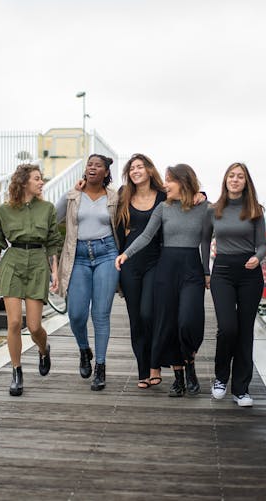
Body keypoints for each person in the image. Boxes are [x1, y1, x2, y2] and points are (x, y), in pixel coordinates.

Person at [116, 163, 211, 398]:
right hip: (166, 270)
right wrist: (126, 254)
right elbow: (147, 235)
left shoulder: (205, 208)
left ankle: (190, 362)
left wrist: (207, 271)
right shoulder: (163, 208)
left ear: (184, 182)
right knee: (167, 324)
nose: (165, 184)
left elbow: (210, 239)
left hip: (191, 270)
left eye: (170, 180)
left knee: (188, 321)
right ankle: (179, 378)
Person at [0, 164, 63, 397]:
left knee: (34, 326)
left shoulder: (48, 209)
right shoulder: (4, 210)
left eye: (41, 179)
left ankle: (43, 349)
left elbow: (52, 242)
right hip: (12, 263)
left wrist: (55, 272)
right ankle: (16, 372)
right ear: (24, 182)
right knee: (13, 324)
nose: (42, 182)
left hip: (38, 264)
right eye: (37, 179)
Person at [56, 153, 120, 391]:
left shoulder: (114, 197)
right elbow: (52, 218)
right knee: (76, 314)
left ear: (106, 172)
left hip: (107, 254)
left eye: (98, 165)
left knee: (101, 314)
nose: (93, 168)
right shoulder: (74, 196)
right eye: (90, 164)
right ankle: (84, 349)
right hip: (78, 257)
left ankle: (100, 367)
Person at [204, 162, 266, 407]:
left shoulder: (255, 210)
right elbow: (203, 240)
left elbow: (261, 244)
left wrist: (257, 257)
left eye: (240, 176)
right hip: (223, 272)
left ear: (246, 181)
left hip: (250, 273)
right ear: (225, 180)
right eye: (232, 175)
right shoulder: (214, 209)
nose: (235, 179)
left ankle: (241, 389)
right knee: (228, 328)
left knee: (245, 331)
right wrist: (205, 271)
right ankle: (220, 378)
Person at [115, 153, 167, 389]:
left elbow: (188, 196)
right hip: (130, 263)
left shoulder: (164, 196)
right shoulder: (123, 196)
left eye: (140, 167)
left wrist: (202, 195)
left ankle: (155, 364)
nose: (136, 171)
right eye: (132, 168)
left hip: (155, 261)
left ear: (149, 170)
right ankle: (143, 371)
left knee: (149, 313)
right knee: (136, 319)